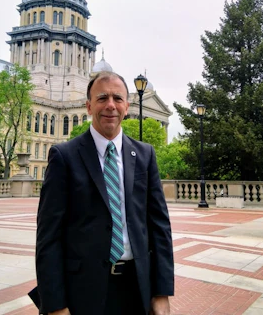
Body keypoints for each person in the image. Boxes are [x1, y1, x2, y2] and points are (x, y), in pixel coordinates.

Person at [32, 71, 174, 315]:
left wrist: (161, 293)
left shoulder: (145, 155)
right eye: (102, 98)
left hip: (136, 288)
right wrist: (55, 305)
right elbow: (48, 238)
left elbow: (159, 227)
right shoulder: (64, 156)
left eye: (117, 98)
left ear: (127, 106)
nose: (110, 105)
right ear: (88, 106)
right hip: (83, 292)